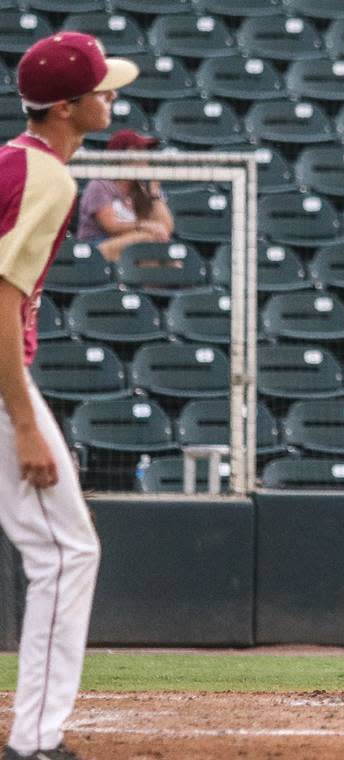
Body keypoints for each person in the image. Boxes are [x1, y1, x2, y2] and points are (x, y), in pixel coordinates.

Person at [0, 32, 138, 760]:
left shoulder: (10, 160)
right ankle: (35, 741)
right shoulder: (49, 178)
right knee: (64, 552)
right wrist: (24, 422)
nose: (110, 98)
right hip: (0, 385)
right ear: (67, 106)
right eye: (100, 90)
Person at [76, 128, 173, 264]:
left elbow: (166, 228)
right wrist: (146, 226)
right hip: (96, 250)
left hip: (135, 247)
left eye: (145, 151)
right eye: (138, 151)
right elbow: (111, 226)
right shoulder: (100, 185)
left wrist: (154, 193)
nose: (145, 157)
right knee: (147, 240)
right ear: (121, 156)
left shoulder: (143, 189)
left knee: (169, 255)